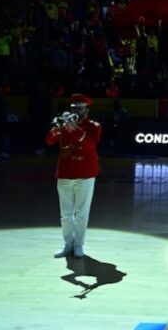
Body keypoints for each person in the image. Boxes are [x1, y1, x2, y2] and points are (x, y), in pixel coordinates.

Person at [45, 94, 102, 258]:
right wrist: (58, 126)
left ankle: (78, 245)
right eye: (74, 108)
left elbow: (90, 144)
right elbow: (49, 141)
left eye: (79, 108)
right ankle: (67, 244)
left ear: (87, 110)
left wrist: (74, 128)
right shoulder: (64, 125)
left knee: (82, 213)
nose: (76, 110)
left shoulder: (94, 126)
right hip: (65, 173)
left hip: (85, 174)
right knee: (66, 214)